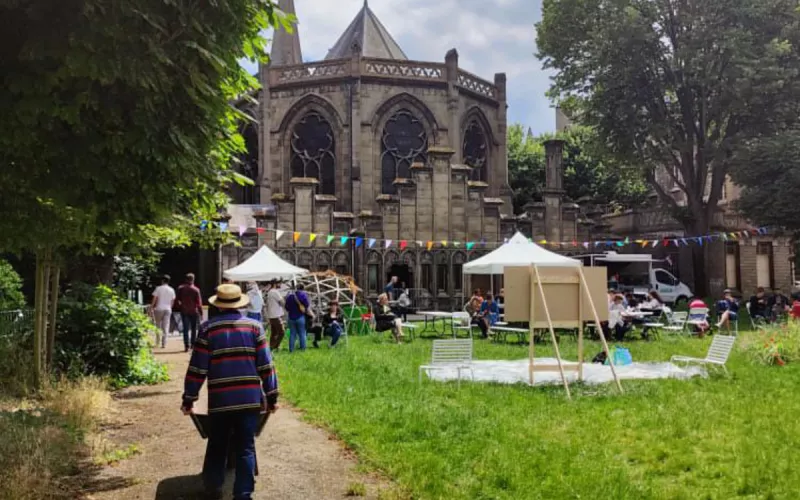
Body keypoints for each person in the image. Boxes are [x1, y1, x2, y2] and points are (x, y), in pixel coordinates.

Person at [181, 283, 278, 500]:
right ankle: (243, 494)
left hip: (221, 400)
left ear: (220, 305)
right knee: (246, 446)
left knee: (218, 443)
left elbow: (198, 368)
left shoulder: (208, 329)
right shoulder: (255, 328)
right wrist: (272, 396)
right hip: (249, 400)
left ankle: (213, 487)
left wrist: (189, 398)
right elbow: (266, 365)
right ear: (240, 304)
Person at [176, 273, 203, 352]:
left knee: (185, 328)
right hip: (194, 311)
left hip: (184, 310)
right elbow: (199, 302)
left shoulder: (181, 288)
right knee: (194, 329)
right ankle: (193, 344)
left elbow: (177, 300)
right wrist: (201, 312)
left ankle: (186, 345)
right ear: (193, 279)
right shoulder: (196, 290)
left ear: (186, 279)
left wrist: (180, 307)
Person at [150, 275, 175, 349]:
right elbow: (172, 301)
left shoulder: (158, 288)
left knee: (158, 326)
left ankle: (157, 342)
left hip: (159, 309)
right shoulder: (171, 289)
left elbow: (155, 298)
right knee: (165, 326)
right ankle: (164, 343)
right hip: (168, 309)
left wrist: (151, 307)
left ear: (162, 280)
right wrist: (170, 307)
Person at [285, 284, 311, 352]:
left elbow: (286, 307)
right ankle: (303, 349)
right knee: (302, 333)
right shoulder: (303, 295)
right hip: (300, 317)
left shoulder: (290, 297)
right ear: (303, 289)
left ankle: (291, 350)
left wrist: (291, 310)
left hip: (291, 318)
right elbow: (307, 305)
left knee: (292, 334)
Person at [265, 281, 286, 351]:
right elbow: (282, 302)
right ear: (274, 284)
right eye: (279, 283)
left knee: (274, 332)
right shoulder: (275, 292)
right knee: (282, 332)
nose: (280, 284)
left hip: (271, 315)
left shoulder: (270, 292)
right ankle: (275, 346)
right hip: (276, 315)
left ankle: (271, 346)